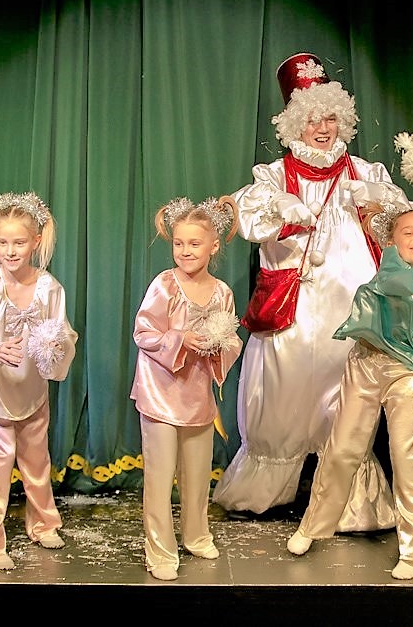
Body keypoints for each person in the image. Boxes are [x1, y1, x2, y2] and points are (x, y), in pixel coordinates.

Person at [213, 53, 408, 530]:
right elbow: (243, 213)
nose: (322, 128)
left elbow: (405, 232)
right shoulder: (273, 176)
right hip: (293, 313)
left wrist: (380, 207)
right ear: (293, 124)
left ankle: (350, 502)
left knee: (348, 400)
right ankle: (265, 491)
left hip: (353, 314)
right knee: (283, 395)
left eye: (330, 118)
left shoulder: (366, 173)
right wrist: (282, 208)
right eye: (312, 119)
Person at [286, 203, 413, 580]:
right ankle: (312, 526)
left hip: (404, 373)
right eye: (408, 232)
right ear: (391, 241)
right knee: (342, 448)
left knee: (405, 458)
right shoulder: (390, 269)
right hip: (365, 364)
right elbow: (390, 285)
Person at [0, 191, 78, 571]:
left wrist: (56, 345)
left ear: (36, 241)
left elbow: (63, 334)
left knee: (36, 460)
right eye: (3, 243)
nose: (10, 251)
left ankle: (43, 523)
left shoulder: (49, 288)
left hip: (33, 392)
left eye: (19, 243)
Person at [130, 196, 243, 582]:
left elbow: (231, 339)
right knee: (160, 477)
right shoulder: (165, 284)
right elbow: (144, 332)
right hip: (160, 394)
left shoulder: (222, 293)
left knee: (196, 473)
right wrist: (180, 338)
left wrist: (217, 345)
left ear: (213, 246)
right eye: (179, 243)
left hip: (196, 396)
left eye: (194, 243)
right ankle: (160, 550)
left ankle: (196, 534)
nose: (185, 251)